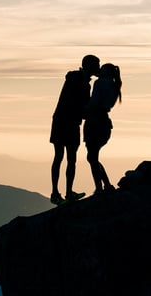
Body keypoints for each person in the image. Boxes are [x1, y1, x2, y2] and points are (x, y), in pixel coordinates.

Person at [49, 54, 99, 204]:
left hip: (62, 120)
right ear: (88, 66)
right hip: (67, 122)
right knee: (66, 158)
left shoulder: (77, 79)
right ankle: (60, 193)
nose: (98, 68)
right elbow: (80, 105)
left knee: (64, 157)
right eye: (96, 65)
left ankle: (61, 193)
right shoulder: (79, 80)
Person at [84, 62, 122, 195]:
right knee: (92, 157)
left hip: (94, 121)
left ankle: (101, 187)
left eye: (102, 68)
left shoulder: (100, 83)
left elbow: (94, 102)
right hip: (104, 122)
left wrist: (84, 109)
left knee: (92, 157)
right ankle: (105, 185)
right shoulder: (114, 85)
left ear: (106, 71)